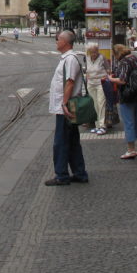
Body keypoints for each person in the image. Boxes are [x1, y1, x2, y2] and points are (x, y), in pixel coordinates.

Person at [44, 29, 88, 186]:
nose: (56, 41)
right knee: (73, 141)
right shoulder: (68, 58)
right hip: (66, 106)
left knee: (61, 142)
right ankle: (79, 173)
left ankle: (61, 175)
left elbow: (69, 82)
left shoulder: (70, 59)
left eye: (58, 39)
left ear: (66, 42)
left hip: (66, 107)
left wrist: (63, 102)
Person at [107, 44, 137, 159]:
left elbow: (122, 80)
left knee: (129, 122)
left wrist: (111, 79)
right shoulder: (134, 58)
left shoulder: (124, 61)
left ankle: (131, 149)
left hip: (128, 95)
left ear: (116, 53)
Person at [82, 42, 109, 135]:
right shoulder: (87, 58)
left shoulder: (102, 58)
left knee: (101, 103)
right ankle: (97, 125)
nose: (94, 54)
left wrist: (106, 77)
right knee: (95, 104)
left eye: (96, 51)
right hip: (91, 84)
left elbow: (108, 69)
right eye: (92, 52)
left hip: (101, 83)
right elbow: (87, 69)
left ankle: (102, 126)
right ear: (89, 52)